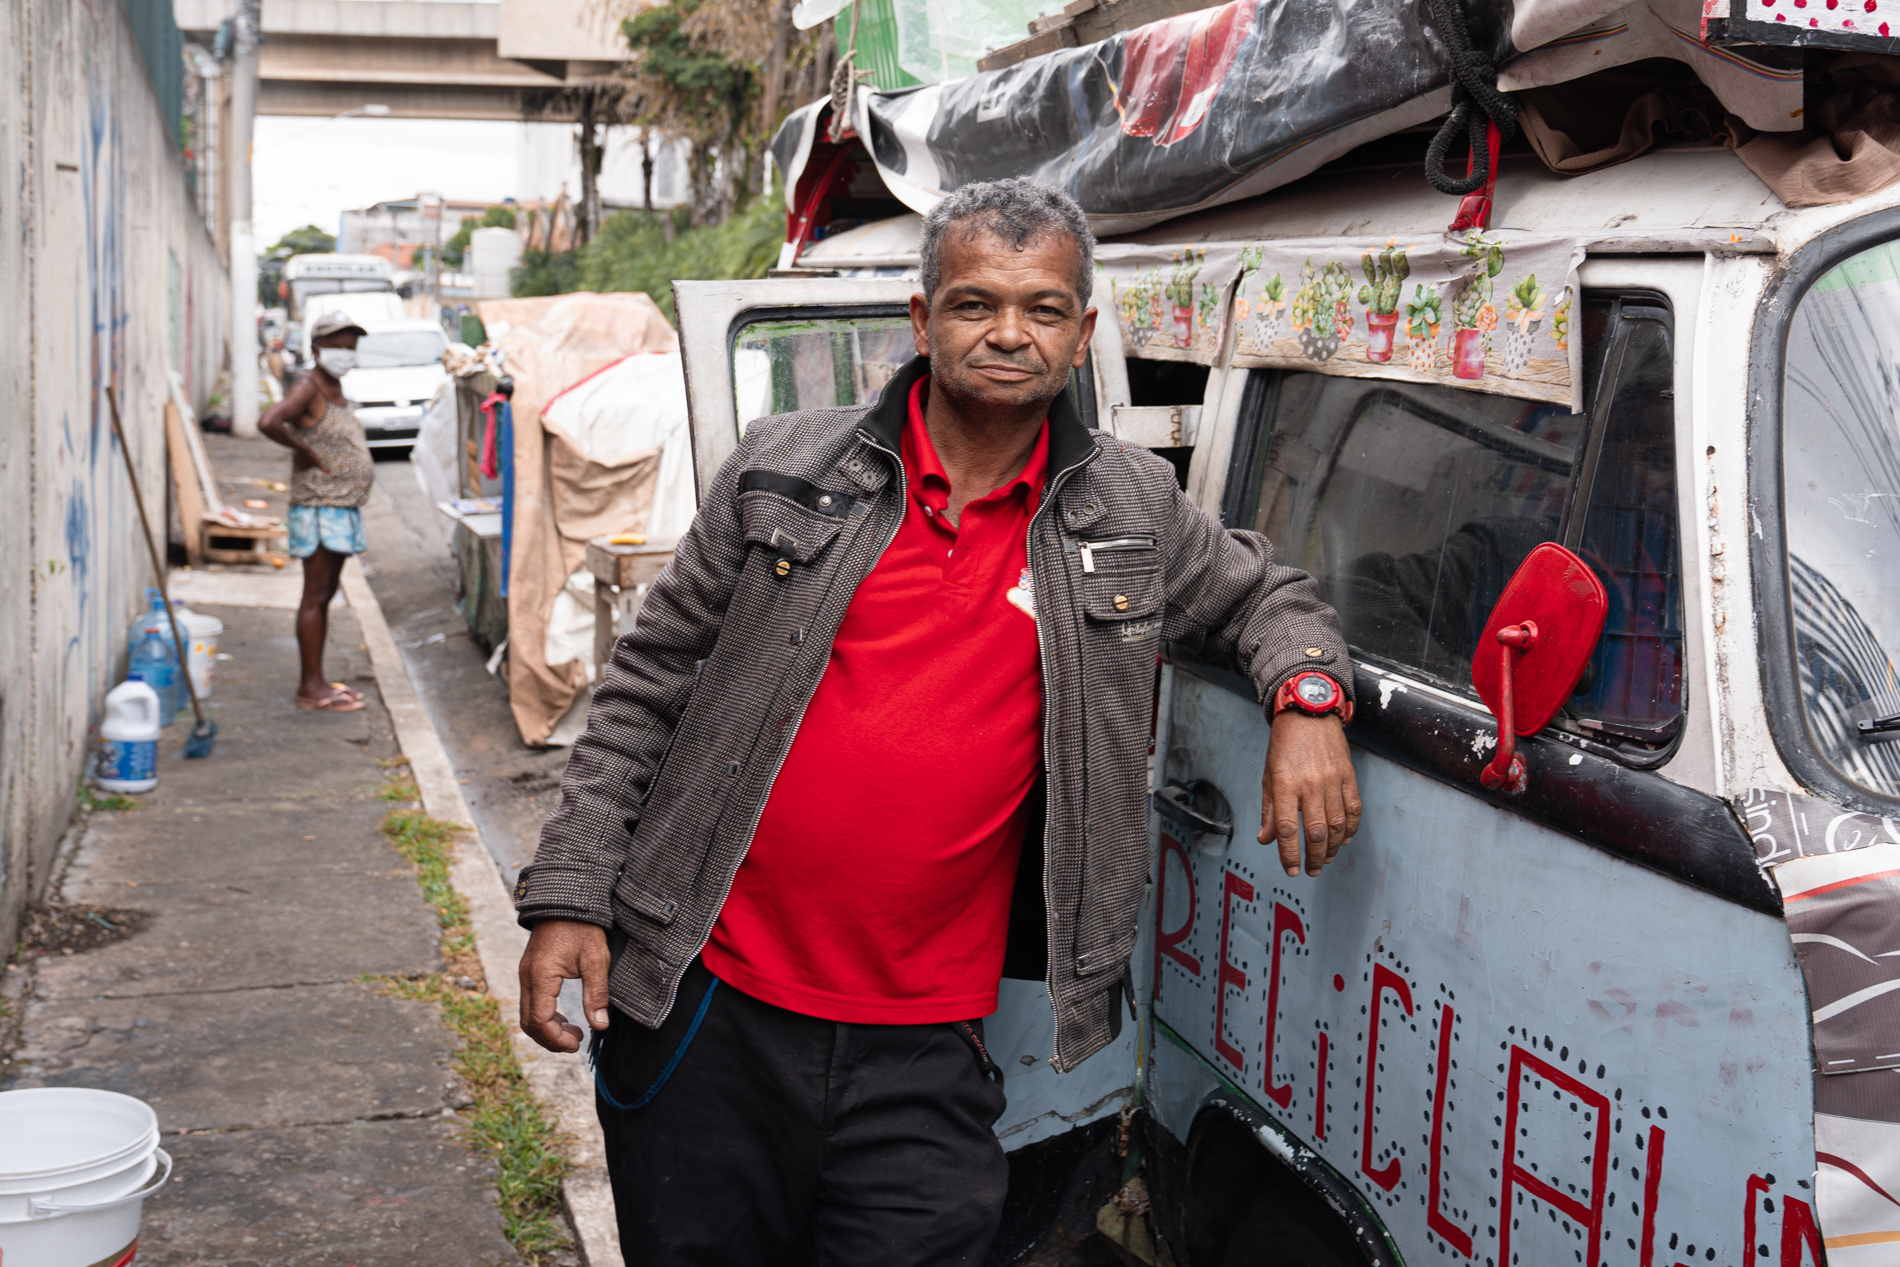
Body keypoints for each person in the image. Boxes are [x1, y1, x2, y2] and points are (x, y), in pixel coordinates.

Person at [513, 179, 1363, 1264]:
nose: (1009, 333)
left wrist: (1307, 697)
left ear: (1081, 332)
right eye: (975, 304)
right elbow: (645, 684)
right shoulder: (786, 467)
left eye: (1043, 309)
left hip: (926, 1042)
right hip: (709, 1004)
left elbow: (1264, 595)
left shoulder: (1127, 507)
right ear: (921, 320)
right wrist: (572, 894)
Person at [259, 309, 375, 713]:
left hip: (339, 508)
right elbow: (270, 421)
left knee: (324, 596)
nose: (345, 353)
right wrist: (306, 453)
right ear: (316, 349)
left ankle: (319, 680)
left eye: (351, 346)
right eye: (337, 346)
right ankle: (310, 688)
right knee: (316, 595)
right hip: (320, 507)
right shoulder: (309, 387)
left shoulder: (333, 387)